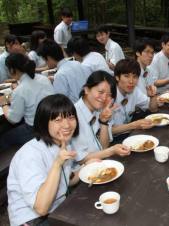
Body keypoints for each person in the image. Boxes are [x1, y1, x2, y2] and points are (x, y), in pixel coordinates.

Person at [7, 94, 81, 226]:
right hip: (32, 219)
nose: (67, 125)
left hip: (56, 210)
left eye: (71, 117)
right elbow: (41, 208)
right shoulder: (30, 154)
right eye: (58, 120)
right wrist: (57, 164)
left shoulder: (63, 144)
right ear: (43, 123)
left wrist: (88, 168)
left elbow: (66, 180)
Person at [72, 71, 131, 163]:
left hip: (101, 163)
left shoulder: (100, 110)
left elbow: (104, 147)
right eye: (100, 92)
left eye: (108, 95)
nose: (104, 98)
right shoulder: (73, 116)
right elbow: (81, 159)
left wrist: (104, 122)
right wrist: (111, 151)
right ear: (86, 90)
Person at [0, 53, 54, 148]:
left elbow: (13, 120)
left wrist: (3, 103)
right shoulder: (43, 78)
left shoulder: (20, 90)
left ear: (12, 70)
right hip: (51, 120)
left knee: (4, 137)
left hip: (34, 129)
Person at [110, 59, 158, 139]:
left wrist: (153, 96)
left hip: (129, 134)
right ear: (117, 77)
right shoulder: (109, 95)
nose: (131, 81)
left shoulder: (134, 90)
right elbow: (108, 130)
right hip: (113, 140)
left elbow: (153, 109)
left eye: (135, 77)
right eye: (126, 76)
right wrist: (134, 125)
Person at [37, 39, 90, 103]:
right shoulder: (77, 63)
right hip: (88, 102)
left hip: (75, 109)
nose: (46, 63)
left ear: (49, 58)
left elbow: (60, 102)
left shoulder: (60, 75)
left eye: (45, 60)